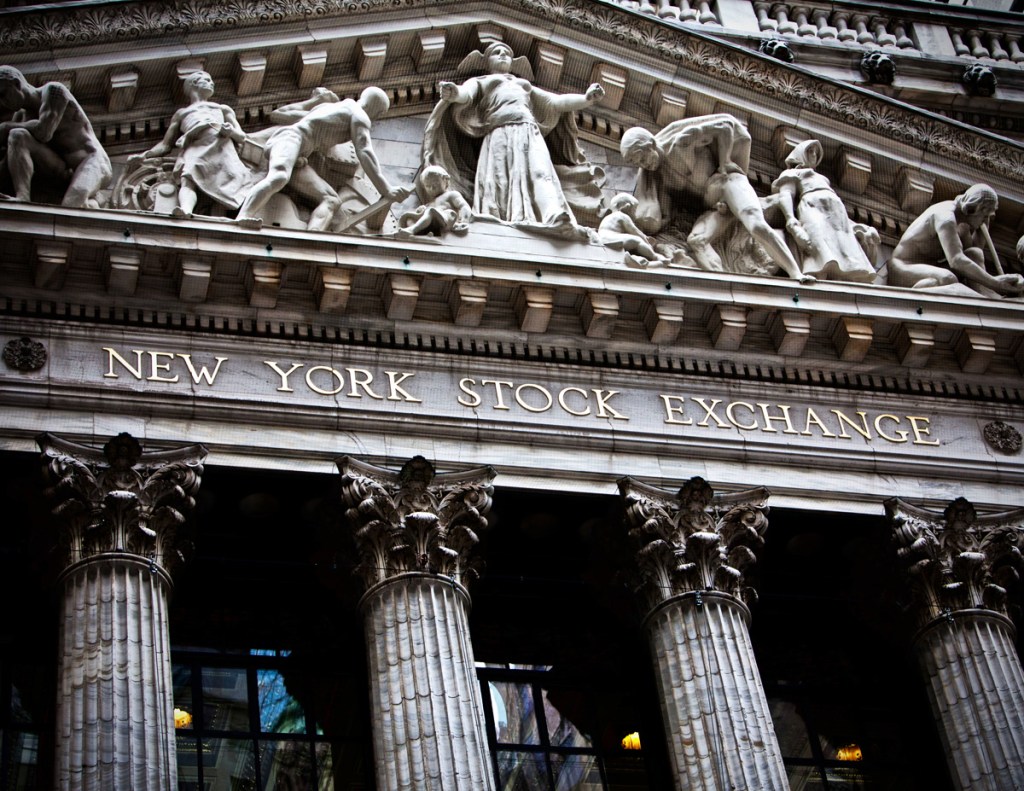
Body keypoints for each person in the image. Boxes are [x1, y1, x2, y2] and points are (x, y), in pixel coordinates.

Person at [422, 42, 605, 231]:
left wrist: (586, 99)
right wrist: (454, 93)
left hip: (529, 131)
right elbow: (466, 95)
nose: (502, 55)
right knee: (499, 181)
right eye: (496, 52)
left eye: (507, 53)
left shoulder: (523, 85)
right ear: (486, 61)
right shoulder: (483, 81)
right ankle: (497, 220)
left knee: (542, 172)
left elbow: (556, 102)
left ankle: (554, 214)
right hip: (499, 133)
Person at [620, 114, 810, 282]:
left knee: (757, 226)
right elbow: (662, 214)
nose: (645, 165)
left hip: (728, 184)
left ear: (651, 144)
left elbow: (725, 126)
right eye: (639, 163)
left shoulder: (681, 142)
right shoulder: (659, 177)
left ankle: (795, 273)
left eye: (643, 158)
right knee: (696, 241)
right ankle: (725, 286)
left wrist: (725, 160)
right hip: (715, 206)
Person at [236, 86, 409, 231]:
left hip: (299, 157)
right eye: (378, 114)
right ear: (375, 108)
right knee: (279, 176)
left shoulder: (331, 108)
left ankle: (312, 239)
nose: (375, 118)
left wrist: (313, 103)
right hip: (290, 140)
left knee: (331, 200)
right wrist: (386, 189)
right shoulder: (359, 115)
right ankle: (243, 216)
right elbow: (364, 151)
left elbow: (281, 114)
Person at [140, 70, 253, 217]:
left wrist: (230, 131)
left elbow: (241, 137)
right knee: (188, 178)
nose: (211, 83)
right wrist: (144, 155)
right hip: (196, 148)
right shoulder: (182, 113)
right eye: (206, 80)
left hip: (221, 148)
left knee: (232, 179)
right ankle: (186, 210)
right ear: (193, 84)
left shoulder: (222, 109)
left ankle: (236, 214)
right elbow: (166, 145)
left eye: (211, 80)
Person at [0, 65, 111, 208]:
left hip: (91, 161)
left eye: (2, 94)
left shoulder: (53, 91)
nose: (2, 102)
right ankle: (23, 197)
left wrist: (5, 127)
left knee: (71, 206)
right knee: (17, 136)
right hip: (62, 169)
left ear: (16, 84)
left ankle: (90, 202)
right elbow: (8, 162)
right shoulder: (20, 117)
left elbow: (44, 132)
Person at [888, 183, 1024, 298]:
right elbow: (956, 261)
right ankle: (922, 291)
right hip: (903, 267)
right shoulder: (946, 218)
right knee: (948, 278)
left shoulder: (962, 223)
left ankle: (988, 299)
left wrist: (982, 229)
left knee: (974, 253)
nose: (985, 220)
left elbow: (973, 257)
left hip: (931, 268)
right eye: (985, 216)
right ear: (975, 208)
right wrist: (995, 282)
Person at [771, 139, 877, 283]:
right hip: (812, 208)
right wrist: (791, 221)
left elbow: (840, 211)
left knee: (843, 248)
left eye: (816, 152)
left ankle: (841, 281)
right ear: (800, 154)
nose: (814, 155)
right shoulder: (793, 173)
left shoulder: (823, 179)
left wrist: (856, 226)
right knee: (818, 243)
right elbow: (786, 195)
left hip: (836, 215)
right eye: (810, 151)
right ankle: (818, 278)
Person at [398, 165, 473, 237]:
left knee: (431, 211)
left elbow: (464, 206)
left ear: (445, 180)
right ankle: (421, 233)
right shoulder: (429, 203)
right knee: (409, 217)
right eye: (428, 186)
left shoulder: (451, 195)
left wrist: (464, 221)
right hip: (432, 223)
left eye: (436, 184)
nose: (432, 188)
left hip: (446, 220)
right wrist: (420, 211)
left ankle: (412, 230)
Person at [598, 193, 660, 263]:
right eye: (634, 210)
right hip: (611, 238)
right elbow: (635, 231)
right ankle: (655, 257)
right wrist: (646, 240)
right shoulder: (622, 216)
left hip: (602, 239)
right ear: (627, 207)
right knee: (637, 240)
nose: (635, 215)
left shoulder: (608, 217)